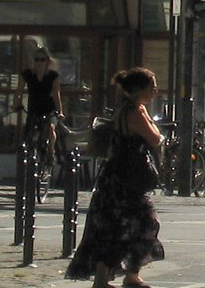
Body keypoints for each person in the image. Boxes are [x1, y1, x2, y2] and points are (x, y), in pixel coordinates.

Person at [67, 67, 165, 288]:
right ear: (140, 89)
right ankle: (131, 275)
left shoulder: (128, 108)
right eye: (152, 87)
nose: (155, 91)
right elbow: (155, 138)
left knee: (112, 228)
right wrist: (156, 129)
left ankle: (106, 280)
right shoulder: (134, 112)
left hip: (115, 177)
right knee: (146, 222)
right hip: (126, 181)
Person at [14, 46, 64, 161]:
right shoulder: (27, 74)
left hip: (49, 108)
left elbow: (56, 94)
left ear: (47, 60)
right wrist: (16, 103)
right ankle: (28, 155)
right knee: (29, 132)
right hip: (34, 107)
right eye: (37, 60)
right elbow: (19, 91)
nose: (39, 63)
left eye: (42, 60)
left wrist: (60, 111)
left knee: (51, 128)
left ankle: (51, 152)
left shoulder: (53, 76)